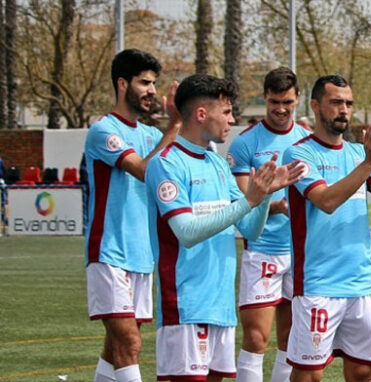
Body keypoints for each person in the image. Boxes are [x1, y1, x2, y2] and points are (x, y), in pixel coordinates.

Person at [145, 73, 304, 382]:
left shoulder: (217, 164)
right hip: (186, 306)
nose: (232, 119)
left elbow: (250, 229)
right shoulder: (166, 163)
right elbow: (187, 232)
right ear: (202, 114)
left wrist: (265, 193)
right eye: (227, 111)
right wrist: (250, 200)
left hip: (220, 305)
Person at [282, 74, 371, 382]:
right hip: (318, 285)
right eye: (336, 102)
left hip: (361, 284)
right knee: (308, 376)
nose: (344, 110)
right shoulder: (300, 154)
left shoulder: (357, 153)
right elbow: (325, 201)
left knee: (363, 373)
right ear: (315, 105)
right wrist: (368, 163)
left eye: (349, 104)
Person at [83, 49, 180, 382]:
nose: (152, 90)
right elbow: (142, 169)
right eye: (144, 82)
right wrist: (176, 124)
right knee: (130, 342)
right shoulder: (103, 131)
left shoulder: (151, 135)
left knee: (116, 348)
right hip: (110, 252)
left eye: (154, 83)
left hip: (142, 256)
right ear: (123, 84)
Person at [227, 67, 311, 382]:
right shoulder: (245, 143)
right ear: (265, 98)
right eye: (274, 101)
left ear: (297, 99)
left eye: (287, 102)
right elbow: (243, 201)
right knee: (256, 338)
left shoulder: (307, 139)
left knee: (290, 338)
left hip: (301, 251)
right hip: (262, 250)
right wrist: (277, 204)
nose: (280, 109)